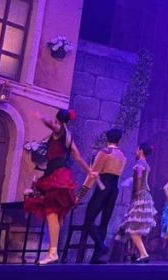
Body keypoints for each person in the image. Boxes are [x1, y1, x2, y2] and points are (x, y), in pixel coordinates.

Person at [23, 108, 96, 265]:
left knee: (52, 212)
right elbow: (77, 157)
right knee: (56, 215)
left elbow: (52, 125)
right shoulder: (68, 136)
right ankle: (53, 250)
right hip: (57, 173)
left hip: (57, 175)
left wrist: (41, 116)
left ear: (58, 119)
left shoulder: (60, 131)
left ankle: (53, 252)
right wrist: (89, 171)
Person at [79, 128, 127, 264]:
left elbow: (92, 174)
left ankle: (101, 246)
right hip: (114, 189)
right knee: (104, 222)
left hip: (103, 188)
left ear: (107, 139)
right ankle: (96, 256)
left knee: (89, 219)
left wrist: (80, 195)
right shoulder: (123, 156)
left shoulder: (105, 153)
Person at [122, 143, 157, 263]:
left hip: (141, 195)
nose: (136, 151)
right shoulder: (145, 163)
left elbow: (140, 176)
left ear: (141, 150)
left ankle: (144, 254)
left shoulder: (140, 163)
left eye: (137, 149)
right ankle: (137, 252)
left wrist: (137, 190)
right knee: (136, 227)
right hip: (145, 194)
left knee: (133, 228)